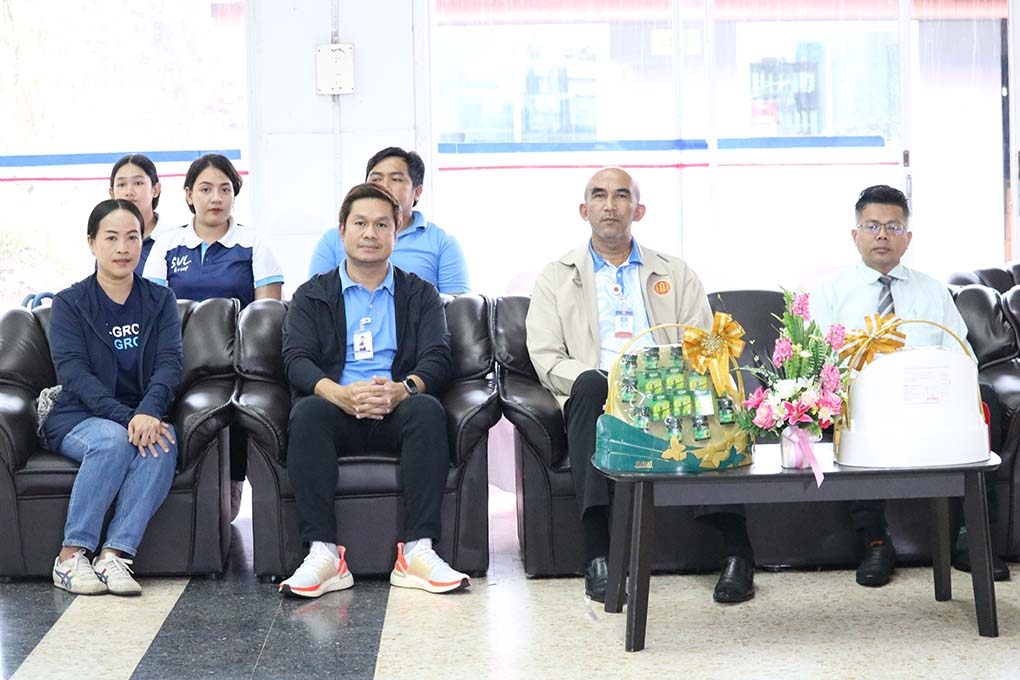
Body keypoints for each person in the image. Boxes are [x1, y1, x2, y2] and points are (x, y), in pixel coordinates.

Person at [525, 167, 756, 604]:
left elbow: (701, 341)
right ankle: (598, 556)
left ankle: (737, 554)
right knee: (588, 388)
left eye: (621, 196)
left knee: (706, 395)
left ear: (638, 209)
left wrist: (674, 377)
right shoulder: (556, 276)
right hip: (600, 389)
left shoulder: (675, 272)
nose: (610, 205)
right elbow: (546, 355)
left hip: (668, 383)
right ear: (584, 210)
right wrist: (608, 382)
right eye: (599, 195)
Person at [812, 184, 1010, 586]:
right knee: (841, 412)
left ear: (908, 236)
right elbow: (819, 362)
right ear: (855, 235)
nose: (882, 235)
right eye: (872, 226)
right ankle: (875, 541)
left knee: (986, 398)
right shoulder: (829, 292)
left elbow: (960, 353)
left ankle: (971, 538)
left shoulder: (931, 289)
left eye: (893, 226)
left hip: (929, 398)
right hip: (861, 398)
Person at [279, 182, 469, 597]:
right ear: (342, 231)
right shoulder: (311, 295)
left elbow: (438, 356)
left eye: (382, 225)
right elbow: (296, 359)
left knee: (428, 410)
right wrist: (338, 394)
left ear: (396, 233)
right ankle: (323, 554)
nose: (370, 233)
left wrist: (404, 389)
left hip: (396, 407)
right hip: (337, 408)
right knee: (306, 413)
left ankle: (417, 551)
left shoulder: (420, 293)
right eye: (360, 223)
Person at [45, 199, 182, 596]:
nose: (123, 248)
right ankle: (70, 556)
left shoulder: (160, 300)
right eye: (111, 238)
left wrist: (149, 412)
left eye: (132, 237)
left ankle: (114, 555)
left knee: (163, 443)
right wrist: (129, 418)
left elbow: (169, 365)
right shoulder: (70, 303)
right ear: (92, 242)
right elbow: (74, 374)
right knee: (113, 440)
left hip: (142, 413)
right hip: (78, 415)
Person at [143, 153, 284, 519]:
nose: (216, 198)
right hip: (181, 359)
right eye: (205, 189)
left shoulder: (254, 244)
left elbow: (266, 316)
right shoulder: (168, 245)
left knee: (239, 406)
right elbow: (152, 314)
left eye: (225, 189)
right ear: (189, 195)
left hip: (239, 363)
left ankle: (234, 484)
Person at [307, 147, 470, 294]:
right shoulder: (333, 238)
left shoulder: (442, 243)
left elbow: (456, 308)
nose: (383, 186)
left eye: (396, 179)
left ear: (417, 192)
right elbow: (315, 298)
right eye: (376, 179)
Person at [109, 154, 165, 275]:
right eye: (122, 185)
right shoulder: (101, 240)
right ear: (112, 193)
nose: (129, 192)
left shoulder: (174, 238)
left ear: (156, 189)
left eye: (138, 183)